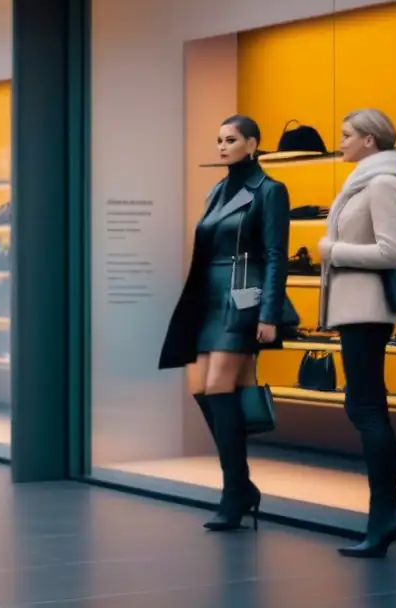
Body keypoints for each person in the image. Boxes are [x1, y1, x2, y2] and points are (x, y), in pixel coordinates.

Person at [159, 115, 290, 531]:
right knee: (200, 387)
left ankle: (234, 492)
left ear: (252, 144)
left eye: (230, 139)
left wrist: (269, 313)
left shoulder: (270, 190)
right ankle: (242, 484)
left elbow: (275, 255)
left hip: (243, 297)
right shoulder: (217, 190)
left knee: (219, 386)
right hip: (207, 298)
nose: (221, 146)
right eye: (218, 139)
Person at [318, 109, 396, 558]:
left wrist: (333, 250)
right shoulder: (364, 181)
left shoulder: (382, 184)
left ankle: (386, 515)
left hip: (367, 311)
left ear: (370, 141)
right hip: (355, 310)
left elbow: (393, 252)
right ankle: (385, 514)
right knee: (363, 406)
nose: (341, 141)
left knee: (367, 408)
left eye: (347, 135)